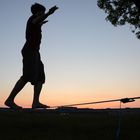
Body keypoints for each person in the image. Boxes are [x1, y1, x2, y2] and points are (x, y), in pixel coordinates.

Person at [5, 3, 58, 109]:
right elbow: (35, 21)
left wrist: (41, 23)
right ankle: (10, 100)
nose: (43, 14)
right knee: (27, 75)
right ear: (38, 12)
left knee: (40, 77)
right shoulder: (33, 19)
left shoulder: (35, 23)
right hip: (30, 51)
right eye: (42, 12)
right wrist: (48, 13)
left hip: (35, 53)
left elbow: (36, 24)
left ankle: (35, 102)